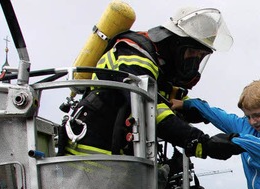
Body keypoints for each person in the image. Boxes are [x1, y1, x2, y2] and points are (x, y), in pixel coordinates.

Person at [60, 6, 242, 161]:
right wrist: (202, 143)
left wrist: (200, 111)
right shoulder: (135, 56)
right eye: (191, 54)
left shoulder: (159, 68)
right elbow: (152, 109)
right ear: (175, 44)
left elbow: (173, 99)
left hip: (118, 156)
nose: (194, 63)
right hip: (93, 155)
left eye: (200, 58)